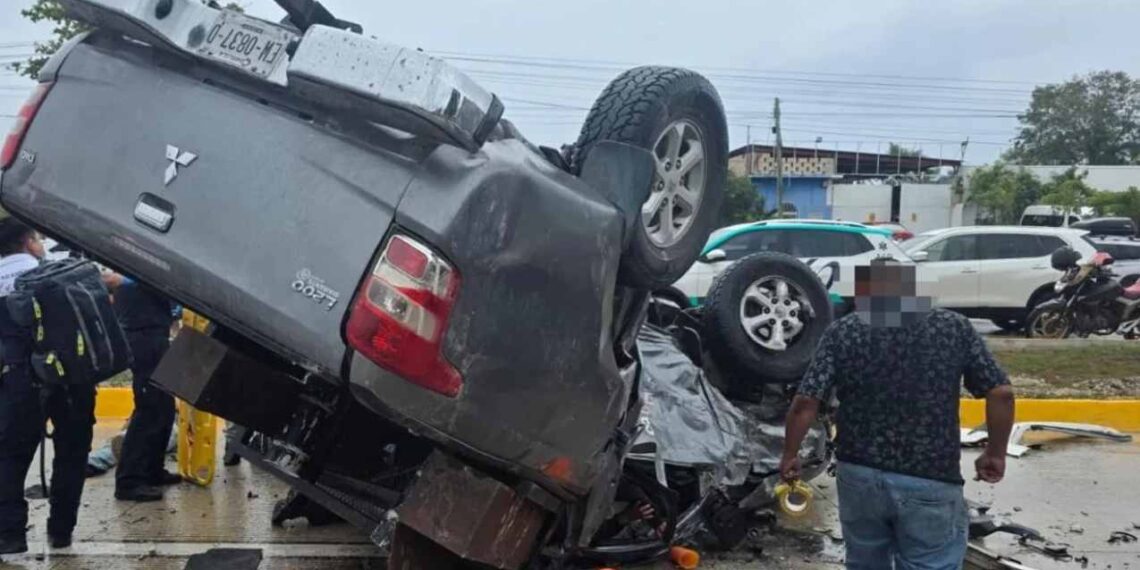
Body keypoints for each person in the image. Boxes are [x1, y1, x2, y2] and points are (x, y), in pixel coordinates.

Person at [780, 258, 1015, 569]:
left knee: (865, 562)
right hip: (930, 478)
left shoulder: (844, 332)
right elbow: (1001, 393)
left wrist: (790, 455)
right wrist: (995, 453)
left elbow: (806, 401)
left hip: (859, 477)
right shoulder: (952, 328)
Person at [0, 219, 95, 553]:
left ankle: (10, 536)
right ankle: (61, 530)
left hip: (17, 380)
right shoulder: (56, 274)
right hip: (69, 379)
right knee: (71, 451)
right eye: (38, 239)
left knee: (9, 457)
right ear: (28, 242)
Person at [105, 273, 181, 502]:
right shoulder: (132, 266)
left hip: (154, 333)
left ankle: (152, 470)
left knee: (164, 407)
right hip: (142, 336)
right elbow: (110, 279)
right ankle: (129, 481)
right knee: (149, 408)